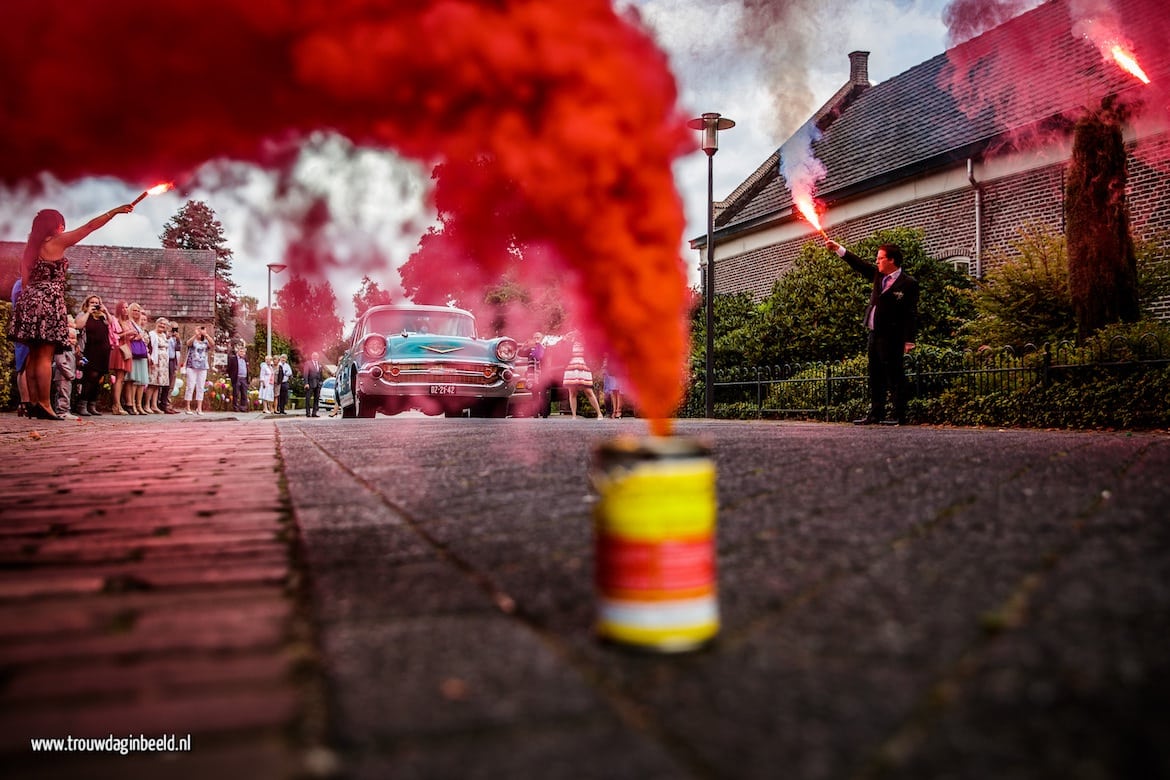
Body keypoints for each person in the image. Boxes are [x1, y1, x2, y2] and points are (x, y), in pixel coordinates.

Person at [6, 203, 133, 419]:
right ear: (55, 226)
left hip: (29, 302)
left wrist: (31, 303)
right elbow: (89, 227)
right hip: (48, 301)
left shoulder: (30, 249)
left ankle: (34, 402)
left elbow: (25, 283)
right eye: (61, 224)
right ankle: (46, 405)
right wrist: (115, 211)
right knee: (46, 357)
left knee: (34, 357)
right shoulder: (56, 242)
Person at [824, 238, 919, 425]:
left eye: (880, 258)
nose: (877, 261)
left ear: (891, 260)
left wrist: (909, 339)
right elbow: (858, 264)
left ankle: (900, 415)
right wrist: (838, 249)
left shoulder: (908, 283)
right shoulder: (878, 276)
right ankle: (876, 414)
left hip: (893, 336)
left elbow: (911, 312)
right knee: (875, 374)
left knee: (894, 374)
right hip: (874, 334)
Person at [73, 295, 113, 416]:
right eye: (92, 302)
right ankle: (82, 404)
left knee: (98, 379)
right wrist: (88, 312)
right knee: (90, 377)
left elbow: (111, 324)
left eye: (97, 303)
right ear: (87, 303)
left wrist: (105, 310)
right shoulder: (83, 314)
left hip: (103, 351)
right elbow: (78, 325)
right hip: (90, 350)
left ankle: (92, 404)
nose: (95, 305)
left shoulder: (102, 317)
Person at [561, 336, 602, 419]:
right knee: (572, 392)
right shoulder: (569, 341)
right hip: (571, 367)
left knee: (588, 391)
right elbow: (562, 352)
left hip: (584, 367)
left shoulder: (586, 341)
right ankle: (574, 415)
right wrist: (564, 341)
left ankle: (599, 413)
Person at [51, 318, 80, 420]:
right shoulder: (63, 349)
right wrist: (69, 374)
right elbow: (60, 362)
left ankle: (63, 409)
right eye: (70, 338)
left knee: (66, 392)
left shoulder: (72, 350)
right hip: (62, 375)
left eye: (74, 338)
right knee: (63, 393)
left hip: (67, 376)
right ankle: (62, 411)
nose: (72, 341)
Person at [11, 278, 32, 417]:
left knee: (28, 365)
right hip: (25, 327)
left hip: (27, 327)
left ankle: (28, 402)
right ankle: (26, 402)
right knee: (24, 365)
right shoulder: (21, 284)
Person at [126, 303, 151, 414]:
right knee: (133, 380)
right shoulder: (129, 323)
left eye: (138, 311)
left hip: (142, 353)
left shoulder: (140, 325)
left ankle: (139, 404)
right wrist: (137, 337)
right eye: (134, 310)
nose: (136, 313)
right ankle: (131, 404)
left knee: (141, 380)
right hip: (134, 352)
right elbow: (128, 337)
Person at [182, 324, 213, 414]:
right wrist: (196, 334)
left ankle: (199, 408)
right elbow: (188, 343)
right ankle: (188, 407)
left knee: (200, 387)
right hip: (192, 366)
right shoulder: (193, 340)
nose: (200, 332)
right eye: (199, 330)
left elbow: (212, 344)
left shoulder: (206, 342)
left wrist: (206, 335)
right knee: (190, 386)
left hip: (203, 366)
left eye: (202, 330)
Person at [145, 318, 170, 414]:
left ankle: (154, 405)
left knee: (158, 385)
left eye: (164, 324)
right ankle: (147, 404)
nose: (162, 325)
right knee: (152, 383)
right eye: (161, 323)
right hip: (155, 360)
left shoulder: (164, 335)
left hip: (163, 362)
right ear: (156, 323)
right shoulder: (152, 334)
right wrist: (151, 359)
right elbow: (150, 347)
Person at [227, 346, 250, 412]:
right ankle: (235, 407)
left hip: (244, 378)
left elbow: (247, 369)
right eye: (241, 351)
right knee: (236, 393)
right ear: (238, 352)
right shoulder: (233, 359)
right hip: (237, 378)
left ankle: (243, 407)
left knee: (244, 393)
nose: (242, 353)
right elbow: (229, 368)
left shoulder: (245, 359)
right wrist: (231, 376)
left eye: (244, 352)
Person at [164, 325, 182, 413]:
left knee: (171, 383)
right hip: (166, 360)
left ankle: (168, 403)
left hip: (173, 361)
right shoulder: (165, 336)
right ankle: (163, 404)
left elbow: (178, 348)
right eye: (172, 328)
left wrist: (178, 339)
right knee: (165, 383)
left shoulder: (174, 338)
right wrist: (167, 337)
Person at [302, 351, 324, 417]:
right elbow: (305, 374)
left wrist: (321, 383)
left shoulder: (319, 364)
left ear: (318, 357)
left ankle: (314, 413)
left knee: (316, 399)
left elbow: (321, 374)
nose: (315, 357)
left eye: (316, 356)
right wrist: (306, 383)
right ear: (312, 356)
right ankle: (308, 413)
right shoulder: (308, 363)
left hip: (317, 384)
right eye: (314, 356)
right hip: (310, 383)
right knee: (308, 398)